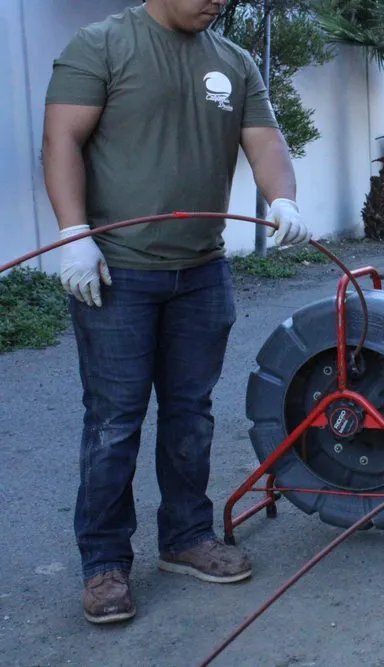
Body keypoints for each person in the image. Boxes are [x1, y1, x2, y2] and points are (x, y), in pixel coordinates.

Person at [42, 0, 311, 625]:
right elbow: (63, 138)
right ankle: (105, 563)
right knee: (114, 420)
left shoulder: (234, 61)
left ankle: (185, 538)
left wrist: (285, 198)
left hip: (201, 270)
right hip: (117, 270)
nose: (215, 1)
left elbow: (265, 140)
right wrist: (73, 233)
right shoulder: (102, 45)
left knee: (191, 413)